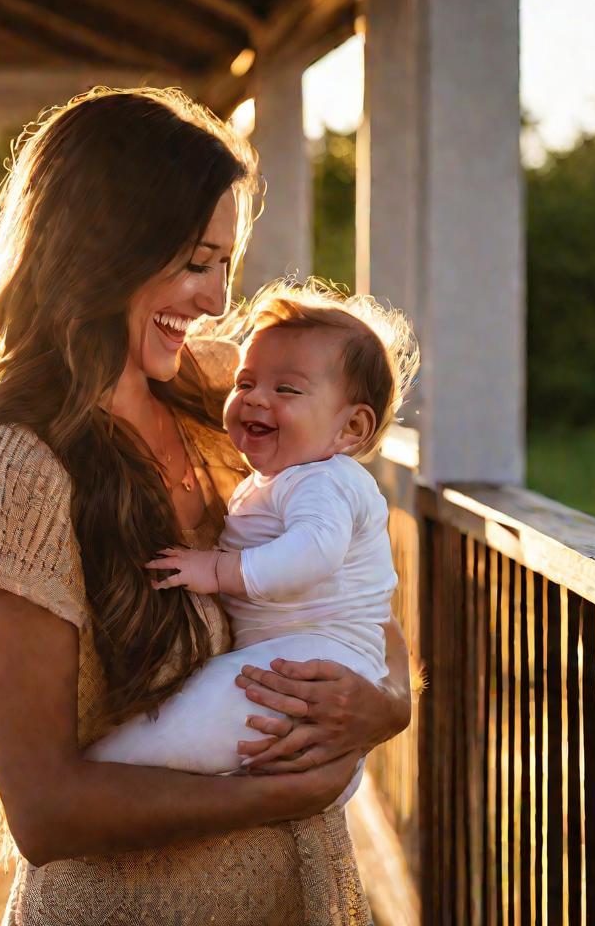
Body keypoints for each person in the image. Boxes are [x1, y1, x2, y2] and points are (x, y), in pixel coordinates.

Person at [0, 87, 413, 926]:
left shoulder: (212, 393)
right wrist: (294, 790)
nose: (216, 302)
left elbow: (346, 586)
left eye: (225, 267)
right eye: (195, 260)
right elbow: (46, 811)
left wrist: (387, 703)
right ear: (102, 245)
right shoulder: (12, 476)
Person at [86, 285, 418, 813]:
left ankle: (100, 771)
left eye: (287, 390)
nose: (257, 398)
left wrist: (218, 570)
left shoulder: (321, 481)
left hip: (313, 665)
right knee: (211, 709)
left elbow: (313, 552)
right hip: (308, 667)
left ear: (351, 428)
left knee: (201, 709)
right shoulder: (281, 478)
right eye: (245, 382)